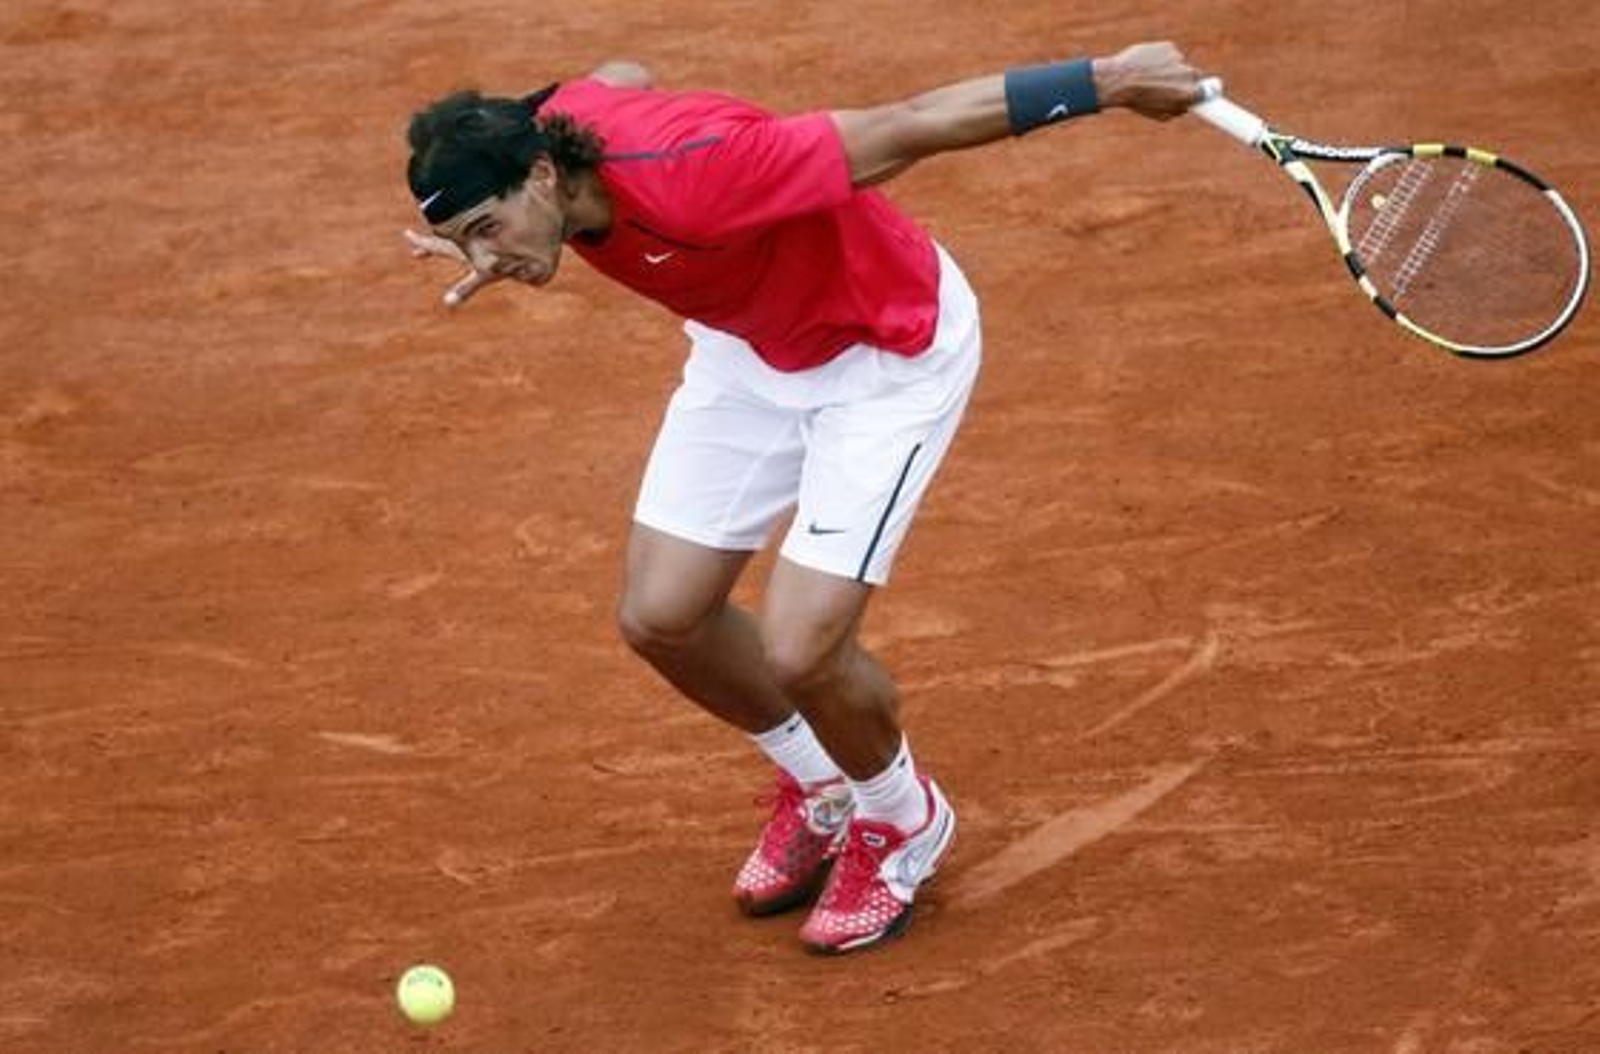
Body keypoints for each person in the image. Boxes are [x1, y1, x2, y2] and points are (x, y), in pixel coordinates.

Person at [403, 44, 1202, 955]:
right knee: (662, 616)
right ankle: (820, 780)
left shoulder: (703, 177)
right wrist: (496, 219)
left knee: (801, 648)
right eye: (465, 235)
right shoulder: (549, 140)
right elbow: (621, 76)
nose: (482, 256)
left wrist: (1107, 83)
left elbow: (908, 123)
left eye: (487, 226)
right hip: (753, 351)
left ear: (542, 174)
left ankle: (902, 820)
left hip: (881, 353)